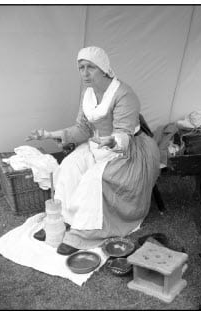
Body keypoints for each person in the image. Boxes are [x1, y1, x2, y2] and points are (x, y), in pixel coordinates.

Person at [26, 46, 160, 255]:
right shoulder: (87, 93)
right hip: (98, 145)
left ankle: (81, 234)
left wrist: (112, 142)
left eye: (91, 67)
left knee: (92, 180)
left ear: (104, 68)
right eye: (81, 68)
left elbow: (124, 134)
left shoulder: (124, 94)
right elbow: (83, 129)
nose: (85, 73)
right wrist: (48, 134)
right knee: (68, 168)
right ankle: (59, 222)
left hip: (127, 151)